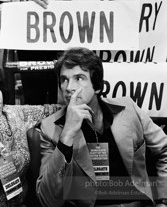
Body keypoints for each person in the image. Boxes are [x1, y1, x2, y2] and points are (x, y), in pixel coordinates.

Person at [36, 47, 167, 207]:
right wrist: (67, 134)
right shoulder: (50, 128)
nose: (69, 87)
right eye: (64, 79)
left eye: (79, 78)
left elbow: (164, 150)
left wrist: (163, 200)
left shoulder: (129, 109)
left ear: (97, 86)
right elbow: (48, 200)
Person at [1, 0, 91, 105]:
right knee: (35, 94)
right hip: (35, 27)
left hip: (70, 26)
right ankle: (38, 128)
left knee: (71, 92)